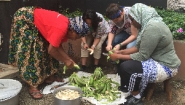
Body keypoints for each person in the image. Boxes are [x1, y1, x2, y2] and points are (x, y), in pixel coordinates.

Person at [8, 6, 89, 99]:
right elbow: (52, 50)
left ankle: (48, 76)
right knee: (33, 51)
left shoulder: (67, 27)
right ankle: (33, 85)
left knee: (46, 46)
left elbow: (57, 46)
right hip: (25, 19)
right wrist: (65, 61)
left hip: (36, 21)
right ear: (73, 30)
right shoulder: (61, 28)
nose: (76, 39)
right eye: (78, 36)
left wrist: (68, 59)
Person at [109, 3, 181, 105]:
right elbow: (138, 47)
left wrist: (118, 56)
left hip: (167, 66)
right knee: (125, 63)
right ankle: (127, 89)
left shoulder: (152, 28)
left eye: (132, 20)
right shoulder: (147, 25)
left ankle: (137, 97)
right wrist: (120, 51)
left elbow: (142, 56)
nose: (131, 23)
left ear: (139, 16)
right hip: (157, 59)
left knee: (126, 67)